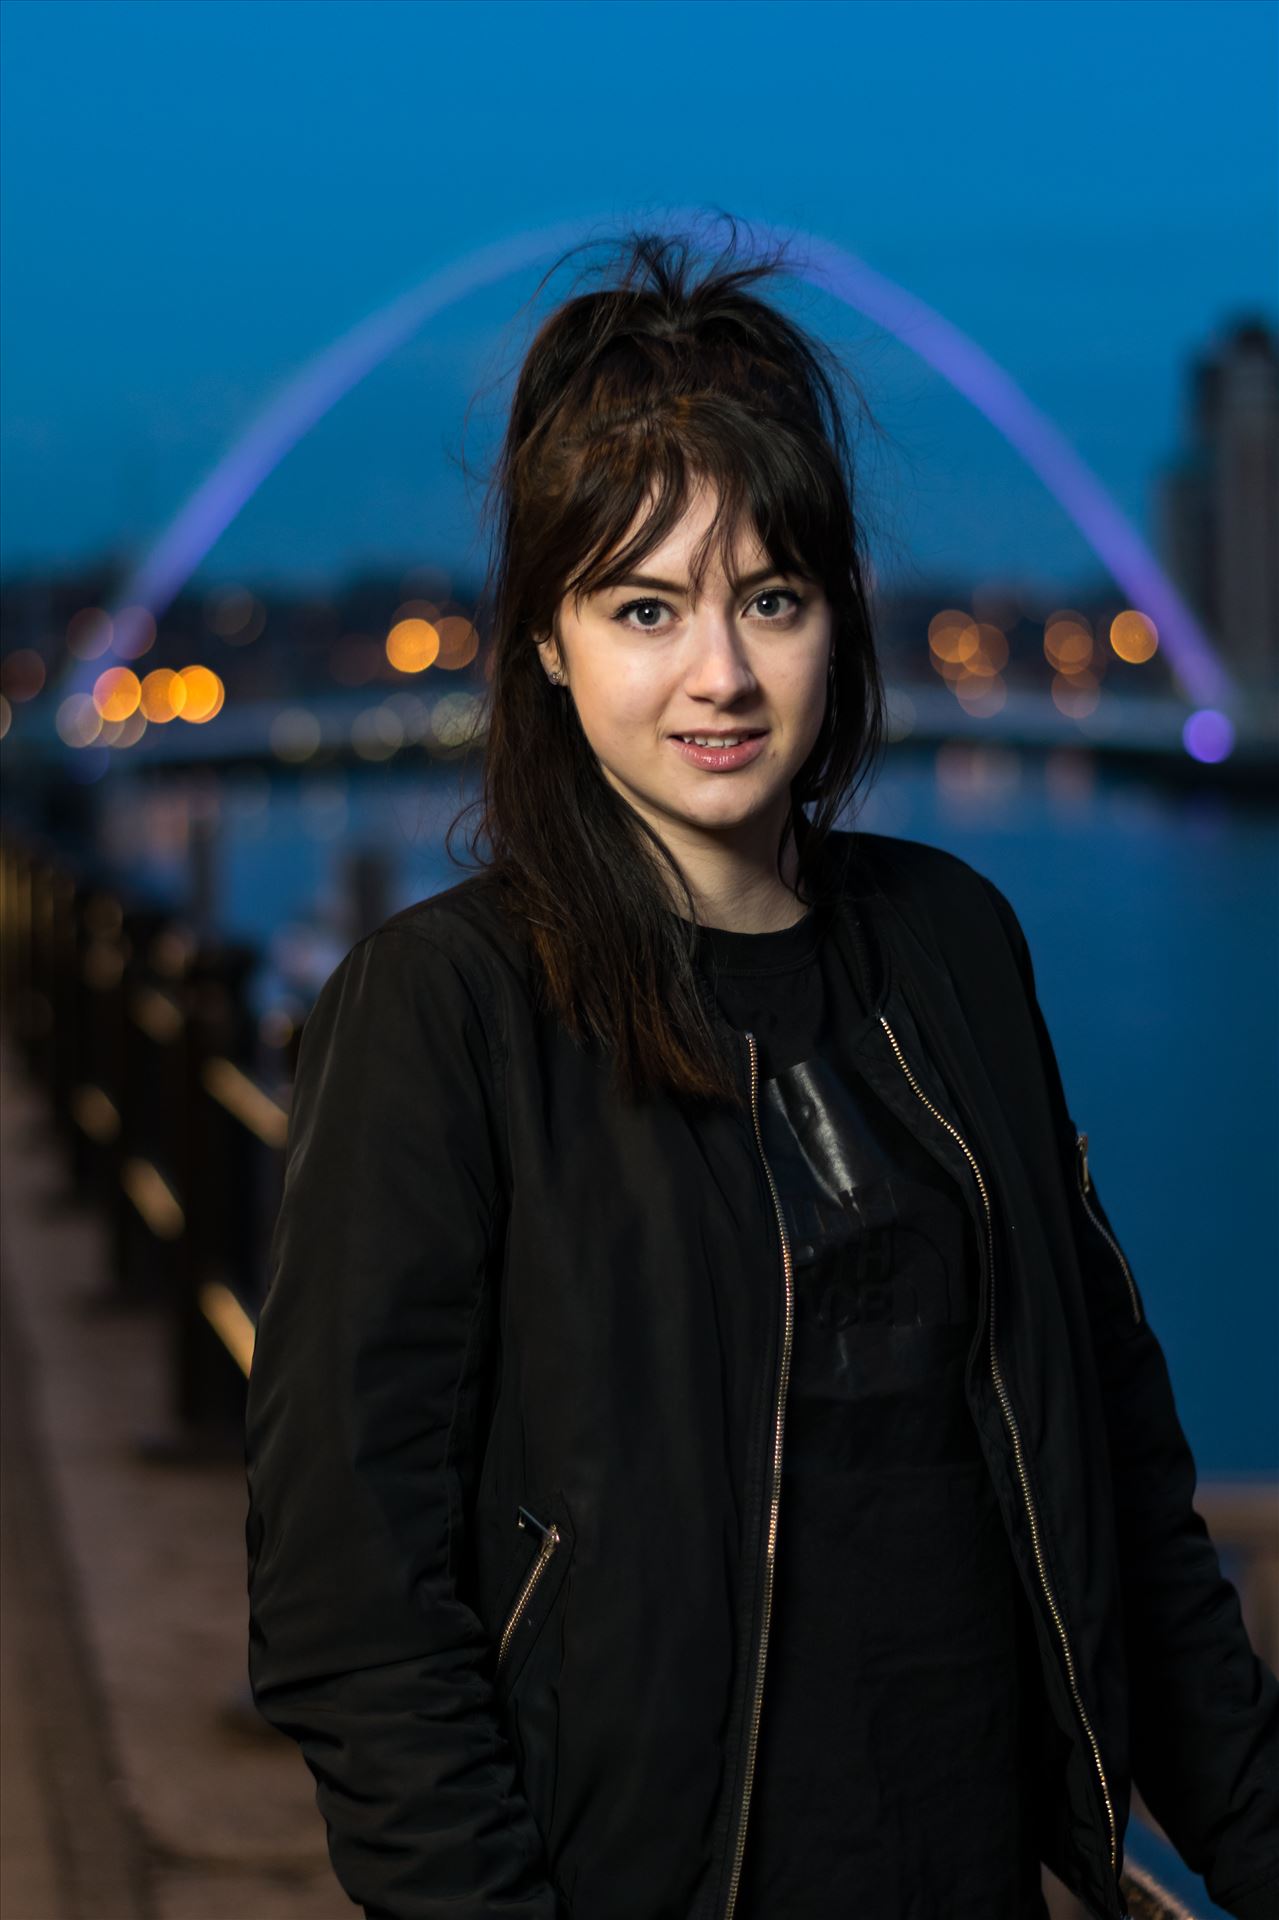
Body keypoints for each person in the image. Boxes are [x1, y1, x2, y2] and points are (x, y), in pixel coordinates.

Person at [243, 221, 1279, 1920]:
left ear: (835, 620)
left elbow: (1122, 1486)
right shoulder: (443, 1013)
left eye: (770, 598)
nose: (719, 674)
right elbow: (350, 1607)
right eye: (643, 607)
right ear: (546, 645)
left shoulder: (953, 948)